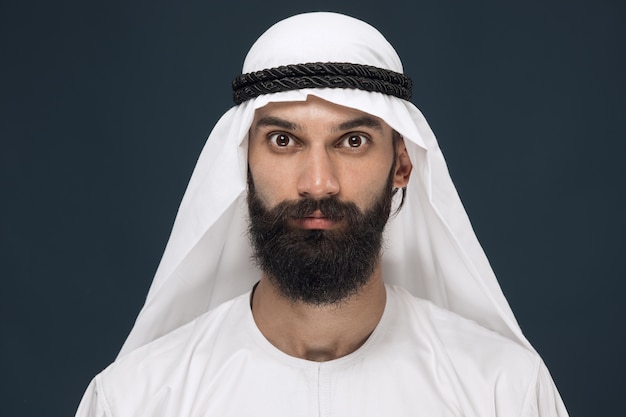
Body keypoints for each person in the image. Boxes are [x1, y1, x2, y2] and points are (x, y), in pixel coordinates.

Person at [75, 12, 568, 416]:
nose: (318, 183)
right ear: (242, 162)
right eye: (283, 141)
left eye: (352, 141)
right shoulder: (137, 399)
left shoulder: (504, 391)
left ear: (400, 164)